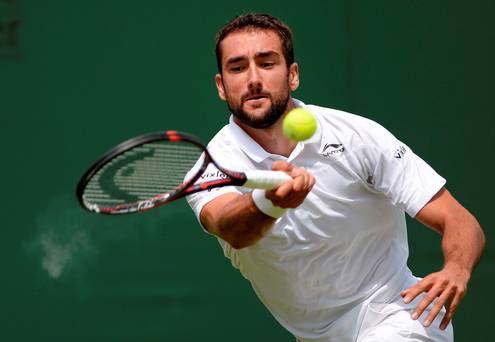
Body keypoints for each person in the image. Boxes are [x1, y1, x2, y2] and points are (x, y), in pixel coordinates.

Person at [186, 13, 485, 341]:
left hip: (398, 312)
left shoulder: (358, 137)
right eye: (238, 67)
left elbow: (458, 220)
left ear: (293, 75)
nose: (253, 79)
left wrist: (457, 268)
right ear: (221, 85)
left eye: (267, 63)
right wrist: (268, 203)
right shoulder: (212, 165)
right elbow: (232, 229)